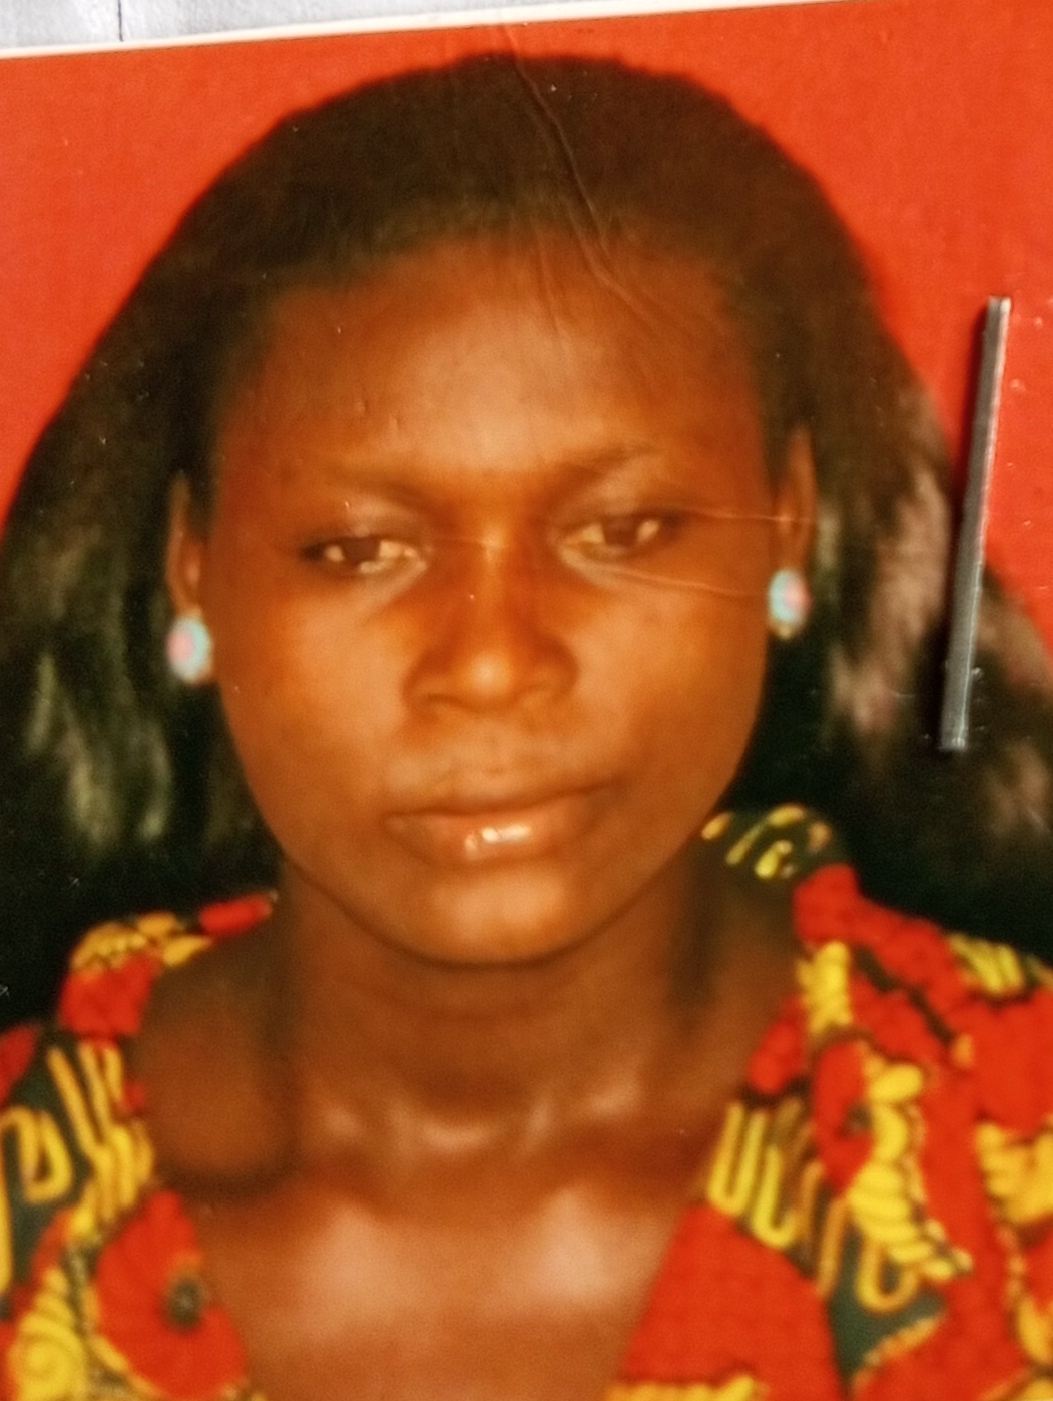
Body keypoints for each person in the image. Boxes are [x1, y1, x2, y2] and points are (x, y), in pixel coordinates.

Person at [2, 51, 1053, 1401]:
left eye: (624, 530)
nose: (493, 665)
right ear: (192, 571)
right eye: (359, 549)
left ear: (786, 524)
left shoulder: (1012, 1146)